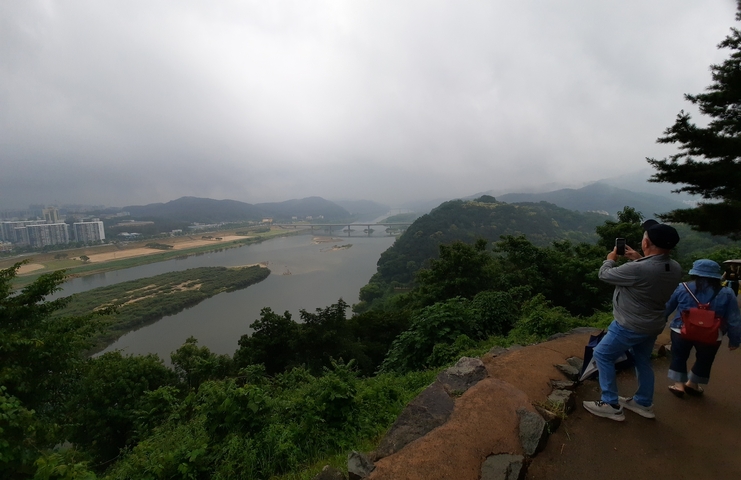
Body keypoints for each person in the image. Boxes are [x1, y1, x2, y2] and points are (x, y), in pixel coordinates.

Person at [583, 220, 682, 421]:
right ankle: (643, 403)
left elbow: (605, 275)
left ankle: (610, 403)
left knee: (602, 354)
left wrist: (610, 259)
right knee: (642, 360)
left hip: (630, 325)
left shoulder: (639, 270)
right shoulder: (674, 267)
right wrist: (638, 258)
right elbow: (652, 271)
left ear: (646, 243)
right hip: (653, 323)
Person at [664, 259, 740, 396]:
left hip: (681, 329)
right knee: (705, 359)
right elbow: (734, 318)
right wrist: (734, 340)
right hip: (712, 333)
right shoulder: (727, 293)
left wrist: (659, 322)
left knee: (679, 356)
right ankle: (692, 384)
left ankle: (679, 386)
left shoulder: (683, 287)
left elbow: (667, 307)